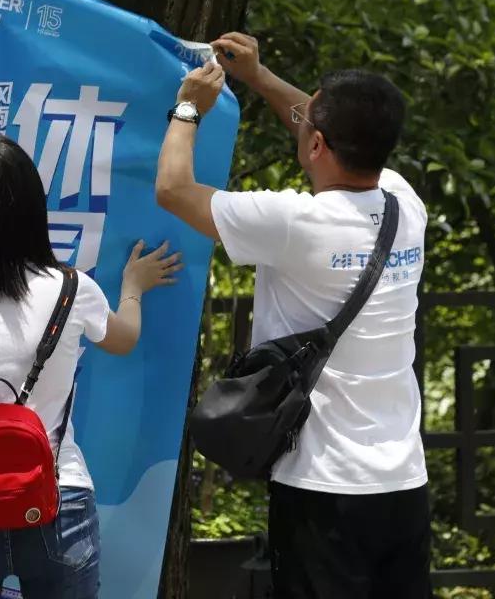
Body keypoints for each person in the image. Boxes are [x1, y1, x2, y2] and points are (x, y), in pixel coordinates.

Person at [155, 33, 431, 598]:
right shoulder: (406, 206)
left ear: (317, 145)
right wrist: (258, 77)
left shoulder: (291, 223)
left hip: (321, 488)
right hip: (404, 480)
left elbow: (173, 189)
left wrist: (187, 107)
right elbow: (323, 127)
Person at [0, 134, 181, 598]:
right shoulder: (74, 289)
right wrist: (132, 285)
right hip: (58, 501)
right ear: (33, 208)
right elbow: (123, 339)